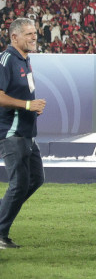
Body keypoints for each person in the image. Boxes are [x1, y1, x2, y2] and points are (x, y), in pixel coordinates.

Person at [0, 17, 47, 249]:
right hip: (12, 133)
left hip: (27, 132)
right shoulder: (7, 59)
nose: (34, 37)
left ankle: (2, 214)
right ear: (14, 37)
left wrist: (32, 107)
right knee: (19, 183)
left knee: (36, 179)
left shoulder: (24, 60)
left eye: (34, 33)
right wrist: (28, 105)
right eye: (28, 34)